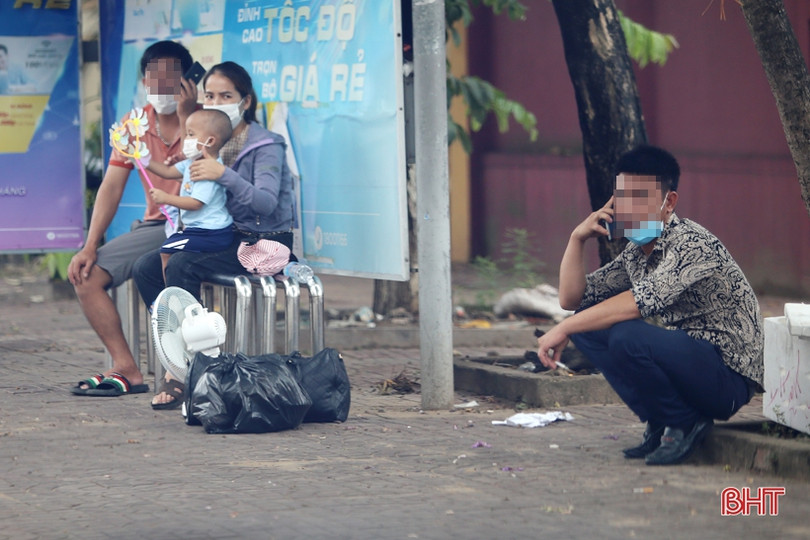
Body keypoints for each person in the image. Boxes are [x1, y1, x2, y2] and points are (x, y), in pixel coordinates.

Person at [535, 145, 763, 465]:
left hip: (726, 379)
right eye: (621, 198)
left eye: (639, 198)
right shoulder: (636, 254)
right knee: (587, 324)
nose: (628, 209)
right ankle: (661, 417)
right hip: (691, 364)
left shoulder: (692, 243)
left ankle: (683, 421)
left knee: (626, 336)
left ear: (668, 202)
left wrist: (564, 326)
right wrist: (578, 238)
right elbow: (573, 299)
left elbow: (639, 302)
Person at [133, 61, 295, 410]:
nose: (216, 102)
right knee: (146, 268)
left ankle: (192, 374)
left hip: (262, 242)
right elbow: (174, 173)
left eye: (226, 96)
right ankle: (181, 355)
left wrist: (223, 174)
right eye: (209, 95)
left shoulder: (266, 145)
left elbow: (266, 204)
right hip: (225, 236)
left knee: (182, 265)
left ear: (245, 102)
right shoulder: (205, 139)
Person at [68, 40, 197, 397]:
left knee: (163, 269)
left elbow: (203, 172)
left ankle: (185, 368)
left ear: (188, 80)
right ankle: (126, 366)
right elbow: (111, 187)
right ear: (143, 82)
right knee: (86, 275)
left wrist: (187, 115)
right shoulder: (133, 124)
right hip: (158, 225)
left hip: (199, 224)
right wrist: (90, 245)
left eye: (171, 77)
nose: (162, 85)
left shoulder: (205, 118)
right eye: (154, 77)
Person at [143, 108, 234, 280]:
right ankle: (171, 290)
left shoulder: (208, 169)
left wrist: (166, 198)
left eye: (191, 134)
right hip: (197, 231)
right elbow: (167, 171)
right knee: (167, 250)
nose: (186, 139)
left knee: (167, 249)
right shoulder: (192, 162)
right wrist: (142, 159)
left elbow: (195, 203)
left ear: (210, 141)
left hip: (211, 233)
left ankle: (170, 291)